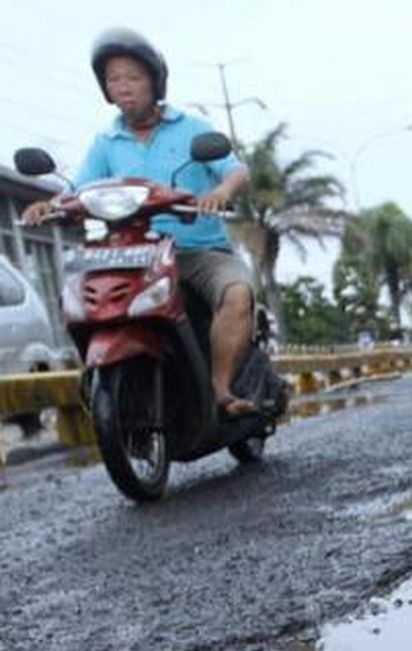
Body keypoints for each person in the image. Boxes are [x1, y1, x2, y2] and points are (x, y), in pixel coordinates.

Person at [21, 29, 256, 417]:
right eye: (114, 80)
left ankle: (221, 391)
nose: (124, 88)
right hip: (135, 255)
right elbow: (78, 189)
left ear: (154, 81)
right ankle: (105, 380)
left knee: (236, 293)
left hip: (197, 249)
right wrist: (49, 204)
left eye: (133, 77)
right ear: (105, 89)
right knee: (82, 298)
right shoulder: (106, 142)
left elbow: (235, 170)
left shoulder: (191, 127)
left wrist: (221, 192)